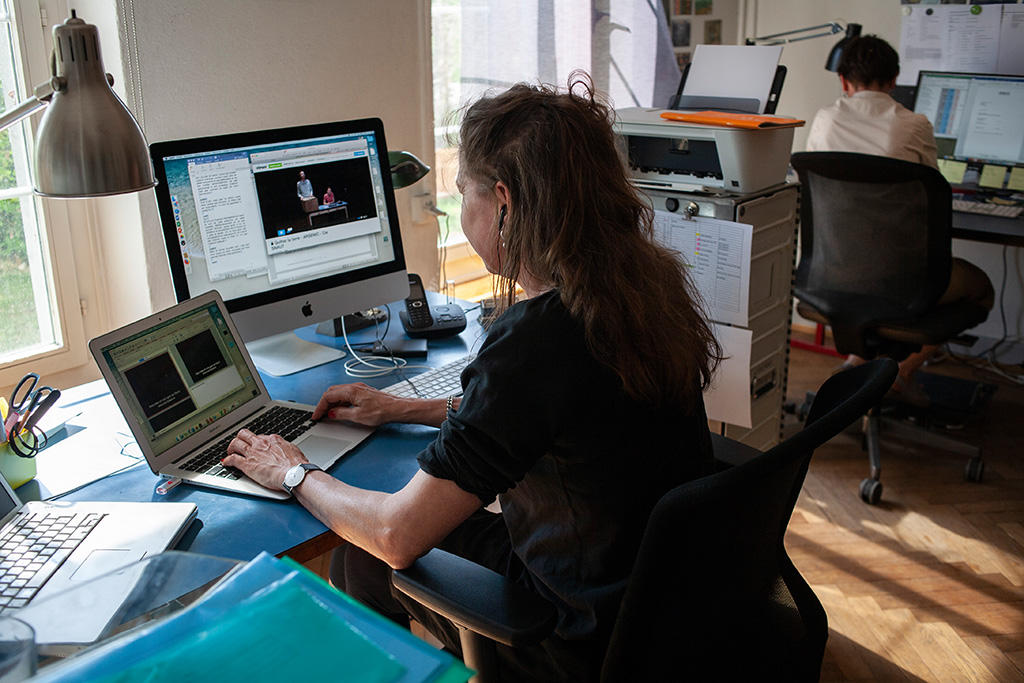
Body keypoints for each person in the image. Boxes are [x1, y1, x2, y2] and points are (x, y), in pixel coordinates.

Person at [223, 73, 721, 681]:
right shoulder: (642, 284)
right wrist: (398, 407)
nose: (463, 215)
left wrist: (293, 471)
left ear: (504, 203)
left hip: (572, 634)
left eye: (466, 196)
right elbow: (551, 416)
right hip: (657, 600)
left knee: (364, 551)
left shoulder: (536, 340)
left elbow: (395, 533)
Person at [806, 35, 993, 398]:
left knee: (870, 277)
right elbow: (931, 191)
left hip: (829, 275)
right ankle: (899, 373)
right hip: (898, 282)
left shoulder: (824, 120)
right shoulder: (913, 125)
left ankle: (858, 367)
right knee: (981, 287)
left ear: (843, 81)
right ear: (894, 80)